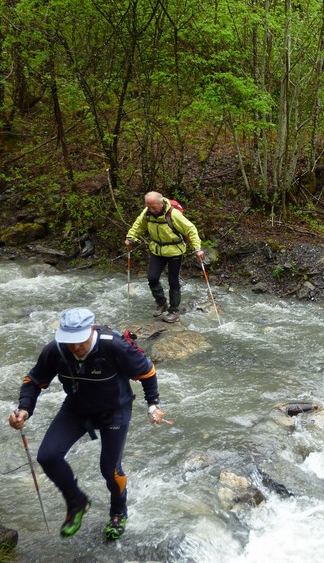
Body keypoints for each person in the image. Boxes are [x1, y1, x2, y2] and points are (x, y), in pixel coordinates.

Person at [8, 308, 164, 540]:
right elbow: (33, 380)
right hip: (76, 408)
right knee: (48, 455)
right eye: (70, 342)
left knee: (109, 470)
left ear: (91, 330)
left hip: (115, 411)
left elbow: (147, 371)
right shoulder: (56, 350)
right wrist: (24, 409)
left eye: (79, 341)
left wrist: (153, 404)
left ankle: (118, 511)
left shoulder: (114, 346)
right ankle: (77, 502)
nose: (75, 347)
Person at [125, 192, 204, 323]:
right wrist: (130, 237)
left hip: (175, 251)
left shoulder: (173, 215)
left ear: (161, 203)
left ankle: (174, 311)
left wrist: (197, 249)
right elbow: (138, 225)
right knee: (152, 278)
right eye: (148, 206)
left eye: (153, 207)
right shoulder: (147, 213)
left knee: (173, 281)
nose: (151, 210)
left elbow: (191, 229)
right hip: (157, 250)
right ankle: (162, 303)